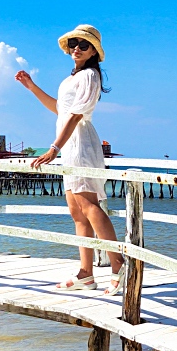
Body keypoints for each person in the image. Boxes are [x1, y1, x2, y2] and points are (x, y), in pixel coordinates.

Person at [15, 24, 126, 294]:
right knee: (77, 212)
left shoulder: (90, 75)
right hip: (69, 147)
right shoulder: (71, 79)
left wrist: (53, 148)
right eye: (74, 43)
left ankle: (119, 265)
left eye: (83, 45)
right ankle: (86, 273)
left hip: (82, 145)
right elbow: (60, 110)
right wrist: (31, 87)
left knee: (90, 206)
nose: (77, 48)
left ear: (93, 52)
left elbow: (76, 116)